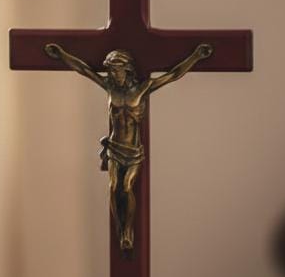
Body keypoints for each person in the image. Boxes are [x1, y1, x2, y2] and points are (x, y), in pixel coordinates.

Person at [44, 41, 213, 251]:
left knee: (127, 186)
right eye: (111, 70)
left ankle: (127, 230)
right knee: (114, 187)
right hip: (115, 147)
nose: (114, 74)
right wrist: (62, 55)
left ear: (127, 69)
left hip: (133, 151)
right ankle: (119, 229)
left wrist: (196, 56)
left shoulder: (143, 88)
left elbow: (174, 74)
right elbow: (84, 70)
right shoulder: (108, 86)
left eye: (117, 70)